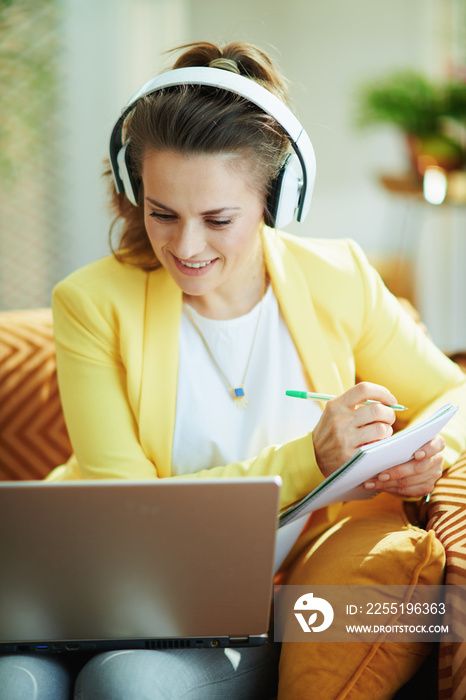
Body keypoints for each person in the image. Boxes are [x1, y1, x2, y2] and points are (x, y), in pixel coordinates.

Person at [1, 40, 466, 700]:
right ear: (136, 192)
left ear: (277, 198)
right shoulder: (90, 302)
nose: (185, 247)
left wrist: (429, 452)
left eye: (219, 219)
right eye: (162, 214)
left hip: (256, 606)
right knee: (12, 682)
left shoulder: (339, 279)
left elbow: (454, 390)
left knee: (128, 681)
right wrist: (313, 455)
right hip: (97, 588)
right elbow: (136, 523)